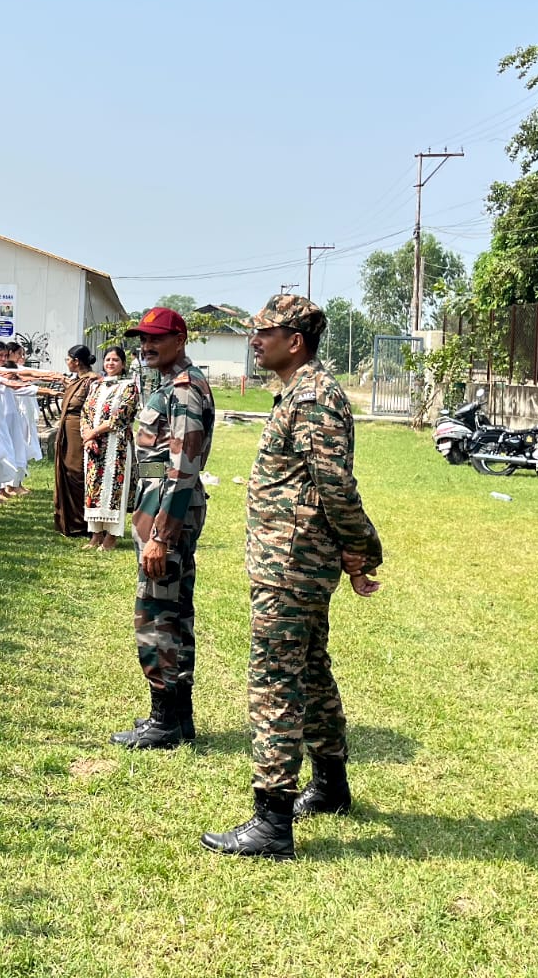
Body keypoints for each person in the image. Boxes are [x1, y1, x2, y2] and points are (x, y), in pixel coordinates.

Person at [201, 294, 383, 861]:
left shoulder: (314, 396)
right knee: (309, 668)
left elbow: (335, 485)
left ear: (295, 341)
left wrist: (361, 547)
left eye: (264, 333)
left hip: (291, 562)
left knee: (275, 678)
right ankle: (330, 785)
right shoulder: (299, 391)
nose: (254, 341)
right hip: (290, 558)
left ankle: (272, 821)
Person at [109, 307, 214, 751]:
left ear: (180, 340)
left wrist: (161, 536)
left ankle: (164, 720)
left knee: (156, 614)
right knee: (172, 609)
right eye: (142, 339)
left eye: (156, 338)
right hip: (157, 505)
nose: (146, 346)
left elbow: (182, 468)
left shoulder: (185, 390)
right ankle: (178, 716)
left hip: (167, 513)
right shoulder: (169, 385)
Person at [82, 346, 139, 550]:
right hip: (94, 445)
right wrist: (87, 437)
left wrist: (93, 432)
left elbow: (121, 416)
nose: (110, 363)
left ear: (123, 364)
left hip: (117, 445)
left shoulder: (129, 387)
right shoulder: (96, 386)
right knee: (93, 488)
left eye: (115, 360)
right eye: (107, 359)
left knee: (113, 488)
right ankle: (95, 534)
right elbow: (85, 413)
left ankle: (111, 536)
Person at [52, 346, 97, 537]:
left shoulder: (92, 381)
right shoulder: (77, 380)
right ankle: (69, 520)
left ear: (76, 361)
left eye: (68, 359)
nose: (67, 362)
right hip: (68, 430)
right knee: (67, 470)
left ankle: (83, 522)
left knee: (77, 471)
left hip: (80, 430)